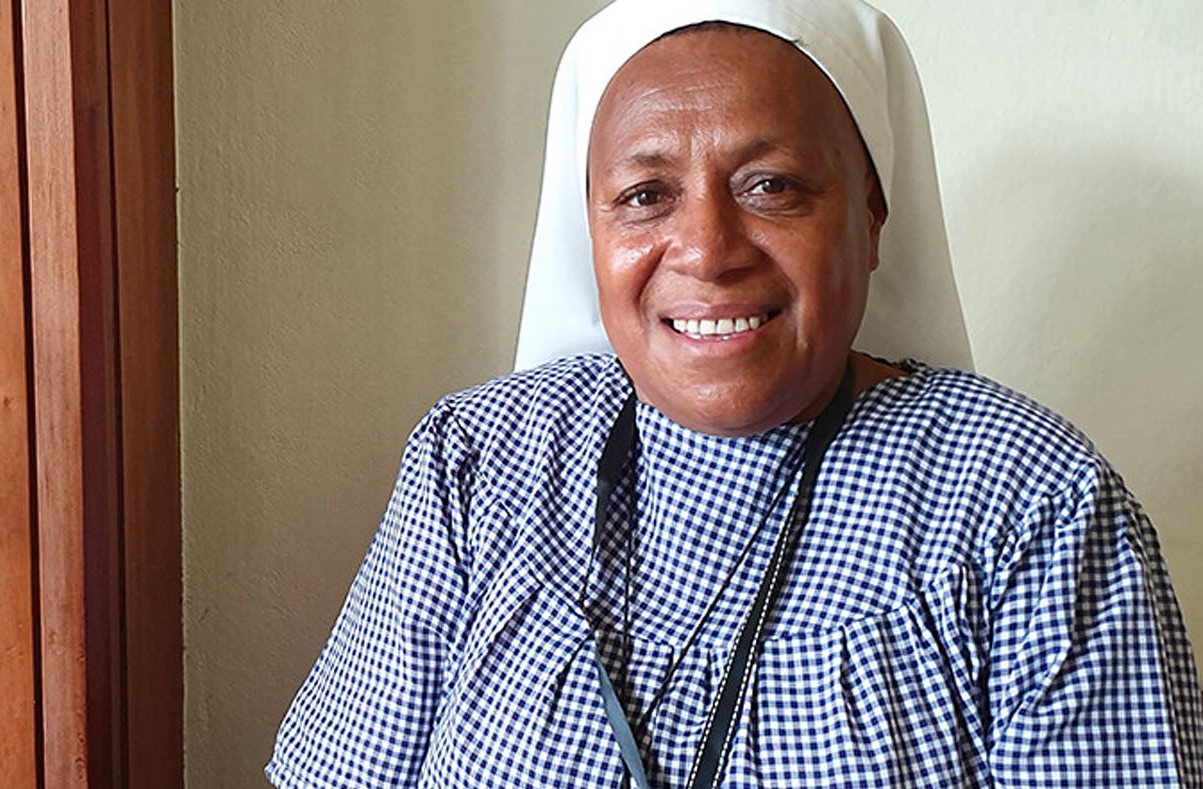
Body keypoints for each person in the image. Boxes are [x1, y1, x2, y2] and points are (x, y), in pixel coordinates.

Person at [267, 0, 1203, 785]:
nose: (708, 249)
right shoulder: (478, 459)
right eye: (643, 195)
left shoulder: (1031, 503)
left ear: (870, 217)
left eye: (771, 186)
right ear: (585, 228)